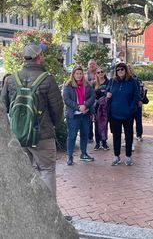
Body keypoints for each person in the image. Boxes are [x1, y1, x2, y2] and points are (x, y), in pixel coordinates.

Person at [1, 44, 63, 199]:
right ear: (39, 57)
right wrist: (52, 125)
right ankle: (50, 215)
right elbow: (57, 109)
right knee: (47, 170)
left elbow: (3, 107)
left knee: (25, 173)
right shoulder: (47, 80)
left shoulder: (11, 79)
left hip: (19, 136)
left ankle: (31, 215)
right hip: (42, 136)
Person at [106, 63, 140, 166]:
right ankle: (116, 156)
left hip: (128, 114)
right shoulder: (112, 82)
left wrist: (131, 108)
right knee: (116, 136)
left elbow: (136, 96)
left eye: (122, 69)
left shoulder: (132, 82)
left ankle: (128, 157)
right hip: (114, 114)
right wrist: (107, 94)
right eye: (118, 70)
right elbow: (107, 92)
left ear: (126, 70)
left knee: (129, 135)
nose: (120, 71)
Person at [63, 65, 95, 165]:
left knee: (84, 135)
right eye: (77, 73)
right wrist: (78, 107)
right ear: (73, 74)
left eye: (80, 73)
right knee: (72, 136)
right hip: (73, 116)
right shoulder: (68, 86)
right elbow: (67, 100)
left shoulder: (87, 85)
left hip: (85, 115)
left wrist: (85, 106)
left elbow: (92, 96)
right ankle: (70, 157)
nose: (79, 75)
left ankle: (84, 153)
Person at [94, 67, 110, 150]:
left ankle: (104, 142)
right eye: (98, 72)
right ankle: (97, 143)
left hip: (106, 107)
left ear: (104, 72)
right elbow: (92, 96)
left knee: (104, 125)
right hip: (97, 107)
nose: (100, 73)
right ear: (96, 74)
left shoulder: (109, 82)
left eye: (102, 71)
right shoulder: (94, 84)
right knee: (96, 125)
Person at [127, 65, 144, 142]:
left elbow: (139, 92)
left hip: (136, 103)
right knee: (131, 120)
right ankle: (133, 135)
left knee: (137, 119)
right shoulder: (126, 80)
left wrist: (139, 100)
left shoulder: (136, 79)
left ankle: (139, 134)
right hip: (129, 103)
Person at [85, 59, 97, 143]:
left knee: (97, 118)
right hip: (87, 98)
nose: (92, 65)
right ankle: (90, 136)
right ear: (88, 66)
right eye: (90, 64)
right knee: (88, 118)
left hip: (96, 98)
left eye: (93, 64)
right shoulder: (85, 74)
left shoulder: (99, 73)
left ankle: (100, 138)